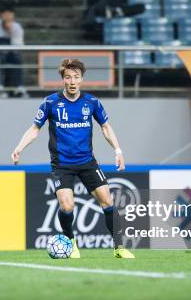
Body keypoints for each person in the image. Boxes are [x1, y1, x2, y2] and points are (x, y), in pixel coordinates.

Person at [11, 58, 135, 259]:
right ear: (63, 80)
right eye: (68, 77)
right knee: (67, 205)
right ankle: (71, 243)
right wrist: (19, 147)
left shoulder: (92, 102)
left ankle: (119, 247)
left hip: (87, 162)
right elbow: (35, 129)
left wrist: (118, 150)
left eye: (76, 77)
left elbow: (105, 127)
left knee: (108, 201)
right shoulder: (50, 102)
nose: (72, 81)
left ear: (82, 79)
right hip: (62, 165)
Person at [0, 3, 27, 98]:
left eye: (10, 14)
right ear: (0, 15)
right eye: (5, 14)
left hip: (13, 53)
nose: (8, 16)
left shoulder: (17, 27)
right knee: (0, 58)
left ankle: (19, 87)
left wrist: (10, 32)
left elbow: (18, 45)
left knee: (17, 59)